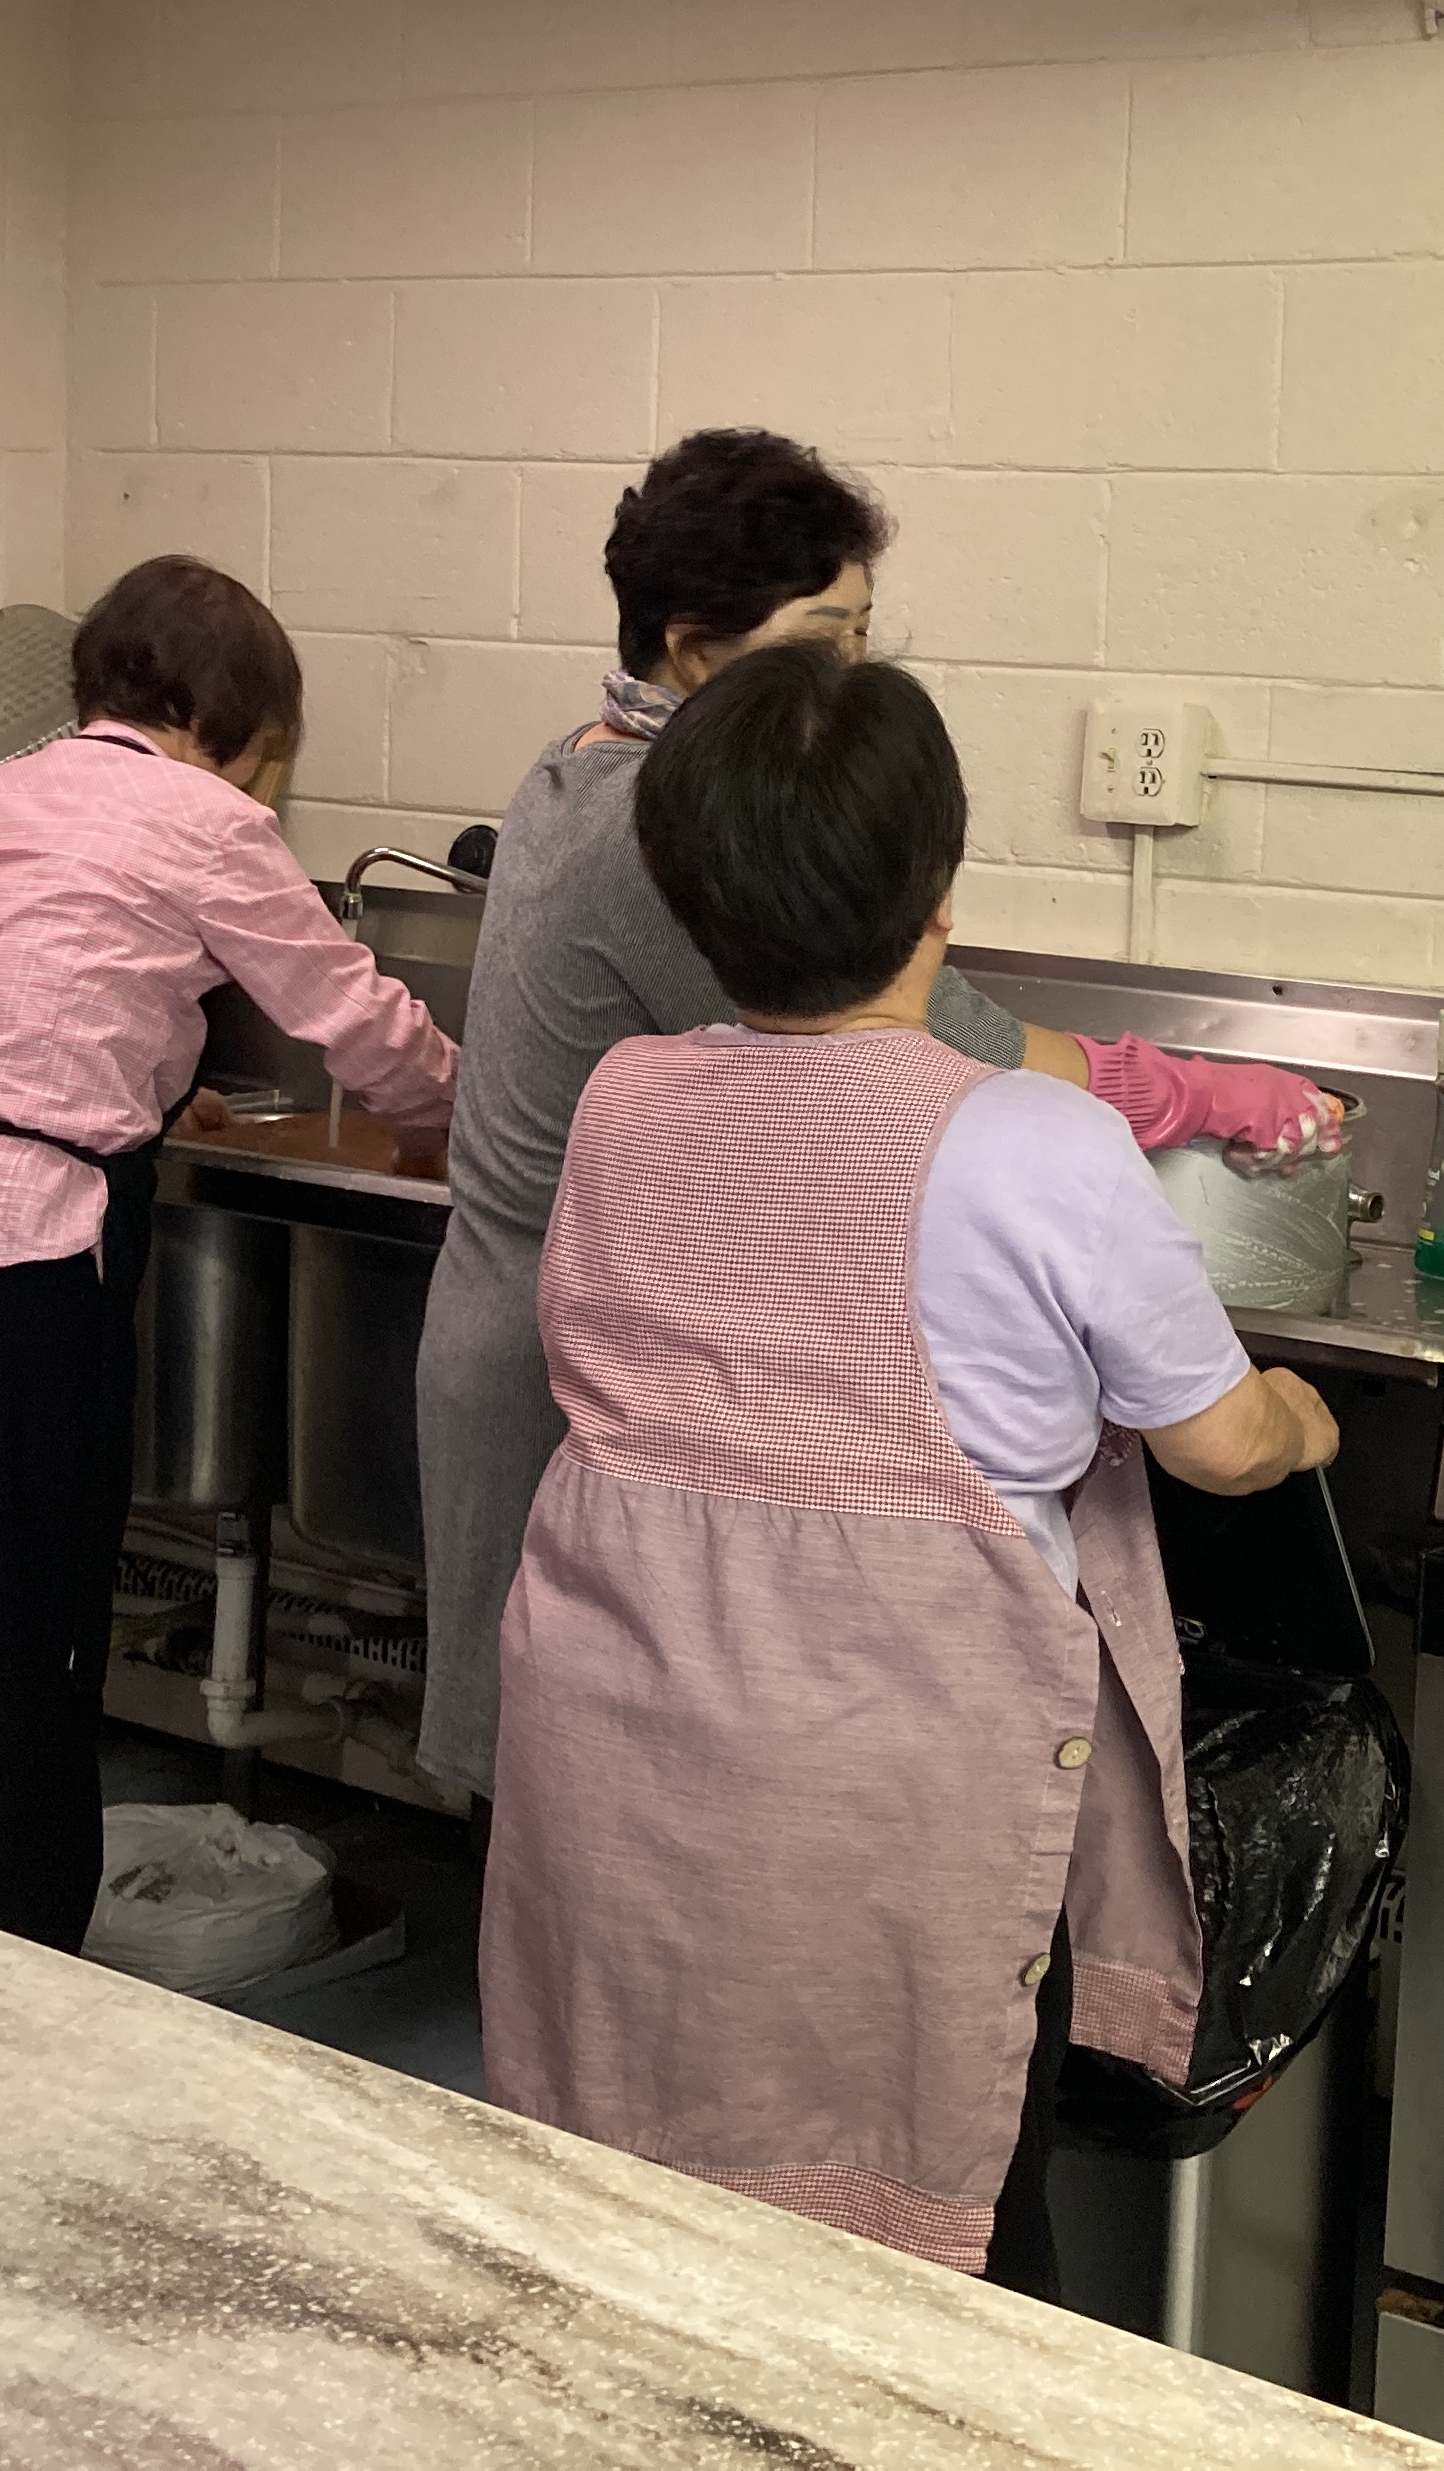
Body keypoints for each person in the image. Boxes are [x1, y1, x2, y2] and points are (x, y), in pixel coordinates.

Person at [479, 641, 1341, 2297]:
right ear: (940, 896)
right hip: (880, 1792)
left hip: (627, 1752)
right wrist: (1304, 1414)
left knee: (634, 2193)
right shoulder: (1035, 1139)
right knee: (934, 2233)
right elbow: (1225, 1443)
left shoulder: (625, 1096)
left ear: (688, 900)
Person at [413, 427, 1340, 1802]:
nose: (843, 674)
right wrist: (1192, 1088)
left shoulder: (588, 765)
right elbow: (946, 1039)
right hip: (574, 1374)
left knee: (614, 1795)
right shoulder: (662, 828)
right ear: (691, 651)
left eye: (860, 634)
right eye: (819, 641)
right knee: (604, 1783)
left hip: (575, 1337)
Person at [0, 557, 458, 1949]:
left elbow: (27, 996)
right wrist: (463, 1115)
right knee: (24, 1680)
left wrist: (155, 1091)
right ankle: (31, 2013)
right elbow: (361, 1023)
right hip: (13, 1275)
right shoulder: (207, 819)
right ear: (227, 723)